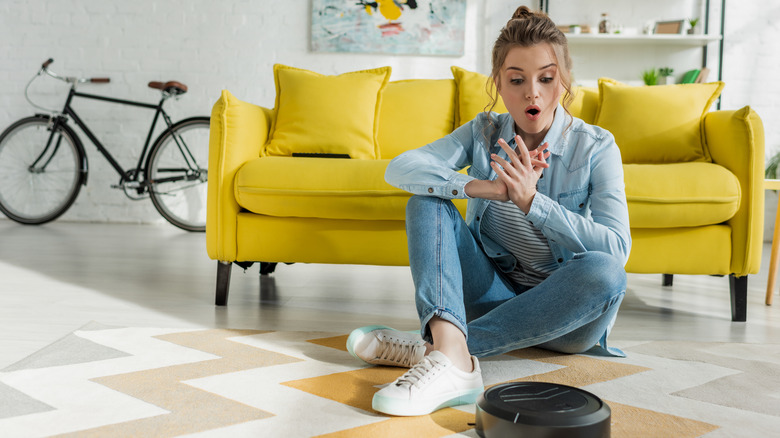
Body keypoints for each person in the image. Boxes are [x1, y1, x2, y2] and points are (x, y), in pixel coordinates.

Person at [346, 5, 631, 417]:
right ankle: (453, 357)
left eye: (546, 78)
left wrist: (533, 203)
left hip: (569, 314)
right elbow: (401, 167)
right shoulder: (484, 132)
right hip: (490, 294)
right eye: (517, 80)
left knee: (606, 272)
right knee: (426, 199)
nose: (532, 93)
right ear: (498, 82)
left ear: (563, 79)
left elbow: (617, 250)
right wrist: (485, 188)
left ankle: (442, 347)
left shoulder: (596, 146)